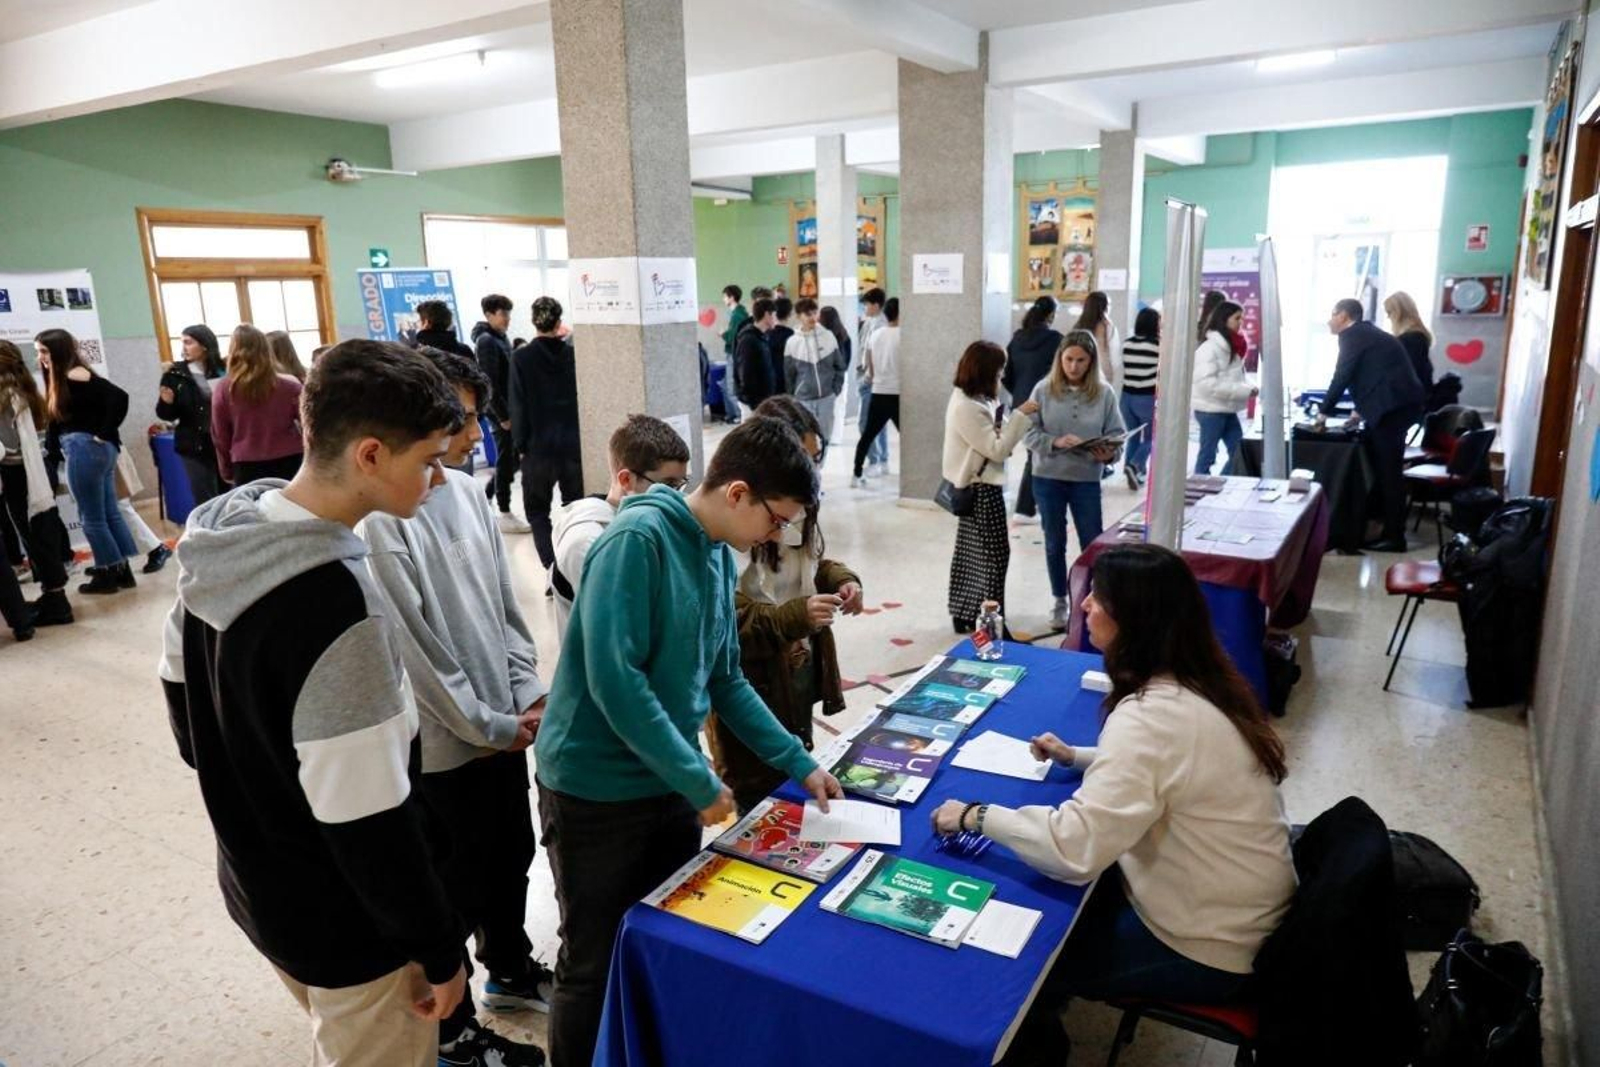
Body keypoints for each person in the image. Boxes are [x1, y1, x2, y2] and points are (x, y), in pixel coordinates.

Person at [159, 340, 471, 1067]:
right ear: (368, 455)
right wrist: (437, 946)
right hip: (352, 930)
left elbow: (187, 720)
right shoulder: (338, 611)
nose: (437, 479)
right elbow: (371, 824)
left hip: (259, 887)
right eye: (427, 460)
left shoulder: (219, 541)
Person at [533, 416, 843, 1067]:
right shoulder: (635, 542)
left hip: (669, 781)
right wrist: (699, 781)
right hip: (596, 791)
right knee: (593, 961)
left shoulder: (712, 552)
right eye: (777, 518)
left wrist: (799, 763)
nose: (778, 535)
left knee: (662, 941)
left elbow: (725, 679)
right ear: (737, 493)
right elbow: (616, 683)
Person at [933, 543, 1294, 1066]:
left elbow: (1069, 849)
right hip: (1238, 911)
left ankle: (1032, 1045)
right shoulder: (1198, 682)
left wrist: (975, 816)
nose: (1084, 607)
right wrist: (1080, 756)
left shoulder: (1149, 716)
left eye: (1098, 598)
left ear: (1134, 620)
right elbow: (1169, 765)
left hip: (1207, 945)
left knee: (1020, 963)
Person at [358, 350, 550, 1067]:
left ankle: (510, 968)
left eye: (472, 417)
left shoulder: (469, 492)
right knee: (451, 890)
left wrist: (525, 691)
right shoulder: (385, 521)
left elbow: (506, 608)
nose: (471, 434)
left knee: (512, 857)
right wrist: (493, 726)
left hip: (501, 730)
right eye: (459, 421)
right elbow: (420, 655)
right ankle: (454, 1031)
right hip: (445, 748)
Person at [712, 395, 863, 813]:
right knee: (758, 789)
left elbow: (811, 560)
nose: (811, 470)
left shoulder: (794, 504)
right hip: (754, 678)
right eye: (804, 457)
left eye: (816, 457)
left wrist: (842, 579)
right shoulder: (724, 536)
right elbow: (725, 642)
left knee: (790, 759)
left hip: (790, 671)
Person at [551, 414, 691, 634]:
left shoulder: (651, 520)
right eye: (668, 486)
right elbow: (625, 628)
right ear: (626, 480)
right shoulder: (587, 543)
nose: (677, 498)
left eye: (681, 485)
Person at [1025, 330, 1123, 630]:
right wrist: (1054, 442)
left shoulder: (1104, 393)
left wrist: (1109, 454)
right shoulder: (1042, 390)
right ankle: (1059, 600)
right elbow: (1027, 433)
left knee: (1092, 542)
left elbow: (1118, 435)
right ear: (1060, 359)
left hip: (1086, 479)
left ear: (1091, 362)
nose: (1074, 366)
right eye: (1068, 359)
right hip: (1048, 477)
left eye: (1081, 360)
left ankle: (1095, 600)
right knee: (1054, 542)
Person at [943, 340, 1040, 633]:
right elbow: (997, 449)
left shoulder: (975, 399)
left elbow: (996, 438)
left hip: (978, 486)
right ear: (985, 372)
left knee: (973, 553)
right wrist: (1021, 416)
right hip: (981, 489)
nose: (1002, 377)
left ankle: (966, 613)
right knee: (996, 557)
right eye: (999, 372)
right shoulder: (966, 407)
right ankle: (992, 624)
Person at [36, 328, 139, 595]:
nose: (41, 357)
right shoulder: (63, 376)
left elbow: (120, 397)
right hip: (94, 450)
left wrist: (103, 432)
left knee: (91, 518)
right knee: (107, 513)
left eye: (44, 351)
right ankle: (120, 569)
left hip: (85, 449)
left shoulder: (73, 374)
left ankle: (107, 574)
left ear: (58, 350)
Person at [1318, 298, 1425, 552]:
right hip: (1398, 406)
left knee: (1389, 473)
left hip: (1393, 410)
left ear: (1343, 315)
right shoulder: (1367, 333)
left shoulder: (1353, 335)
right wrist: (1359, 410)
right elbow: (1373, 374)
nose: (1329, 321)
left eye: (1332, 314)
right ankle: (1377, 527)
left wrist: (1323, 413)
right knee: (1383, 469)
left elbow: (1343, 375)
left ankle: (1394, 537)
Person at [509, 296, 584, 577]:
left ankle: (553, 569)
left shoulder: (521, 357)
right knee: (575, 508)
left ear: (533, 321)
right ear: (558, 321)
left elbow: (518, 403)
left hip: (538, 446)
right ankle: (574, 567)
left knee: (538, 511)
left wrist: (520, 444)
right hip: (573, 444)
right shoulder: (573, 354)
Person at [0, 339, 73, 626]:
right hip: (34, 471)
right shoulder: (23, 388)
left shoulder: (6, 395)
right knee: (43, 533)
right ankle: (54, 595)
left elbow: (7, 444)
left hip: (20, 474)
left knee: (35, 536)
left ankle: (57, 603)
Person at [212, 324, 304, 485]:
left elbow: (220, 435)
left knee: (253, 510)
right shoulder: (290, 387)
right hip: (290, 458)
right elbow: (310, 424)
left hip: (246, 463)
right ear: (267, 350)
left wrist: (225, 468)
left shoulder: (224, 389)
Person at [1004, 296, 1064, 520]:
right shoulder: (1056, 340)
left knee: (1035, 452)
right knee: (1036, 454)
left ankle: (1033, 504)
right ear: (1051, 315)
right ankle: (1025, 508)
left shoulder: (1017, 339)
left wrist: (1020, 393)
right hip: (1044, 402)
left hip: (1021, 403)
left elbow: (1006, 375)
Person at [472, 294, 527, 532]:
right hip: (501, 413)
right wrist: (503, 416)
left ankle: (486, 497)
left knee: (512, 460)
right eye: (503, 314)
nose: (507, 319)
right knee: (506, 460)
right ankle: (503, 510)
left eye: (508, 313)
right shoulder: (486, 341)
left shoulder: (501, 338)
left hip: (511, 409)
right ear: (489, 314)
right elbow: (489, 381)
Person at [156, 324, 226, 506]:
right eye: (182, 343)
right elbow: (166, 415)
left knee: (229, 496)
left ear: (204, 345)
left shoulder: (223, 369)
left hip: (224, 442)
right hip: (194, 444)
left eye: (188, 342)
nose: (183, 348)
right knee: (205, 498)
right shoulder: (175, 373)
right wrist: (166, 402)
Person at [1192, 300, 1256, 476]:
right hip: (1210, 410)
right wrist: (1244, 391)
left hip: (1227, 409)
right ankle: (1198, 492)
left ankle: (1219, 486)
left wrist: (1250, 387)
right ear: (1224, 319)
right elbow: (1206, 385)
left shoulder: (1231, 346)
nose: (1240, 323)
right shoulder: (1209, 348)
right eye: (1237, 318)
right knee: (1207, 456)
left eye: (1241, 318)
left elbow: (1236, 376)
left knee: (1239, 453)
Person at [784, 297, 848, 454]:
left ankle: (818, 470)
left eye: (814, 313)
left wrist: (835, 390)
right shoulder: (792, 342)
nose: (813, 317)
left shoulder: (828, 336)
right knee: (806, 440)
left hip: (827, 397)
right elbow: (789, 374)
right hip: (803, 399)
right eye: (808, 314)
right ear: (799, 316)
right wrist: (794, 396)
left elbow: (839, 367)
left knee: (824, 438)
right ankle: (811, 472)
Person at [851, 297, 902, 485]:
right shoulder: (906, 335)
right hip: (898, 394)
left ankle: (856, 474)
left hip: (878, 392)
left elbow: (869, 369)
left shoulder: (876, 334)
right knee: (909, 438)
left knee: (867, 435)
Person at [1118, 307, 1161, 488]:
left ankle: (1132, 470)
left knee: (1133, 436)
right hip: (1146, 397)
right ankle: (1136, 466)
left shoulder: (1127, 344)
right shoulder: (1158, 346)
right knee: (1153, 437)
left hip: (1126, 397)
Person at [855, 288, 889, 470]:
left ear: (876, 305)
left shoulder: (882, 326)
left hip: (873, 379)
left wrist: (869, 377)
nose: (864, 308)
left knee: (865, 422)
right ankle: (881, 456)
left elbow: (876, 354)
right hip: (865, 374)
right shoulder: (869, 322)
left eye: (867, 304)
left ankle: (874, 457)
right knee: (878, 421)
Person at [1384, 291, 1435, 396]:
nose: (1388, 317)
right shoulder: (1418, 336)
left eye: (1389, 312)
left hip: (1409, 399)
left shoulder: (1411, 339)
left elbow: (1408, 373)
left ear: (1399, 312)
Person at [1072, 290, 1122, 396]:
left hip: (1079, 372)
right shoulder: (1107, 326)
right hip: (1101, 374)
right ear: (1104, 307)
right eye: (1109, 305)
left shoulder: (1078, 325)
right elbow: (1114, 355)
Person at [733, 296, 778, 413]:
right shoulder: (748, 340)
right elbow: (745, 374)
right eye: (774, 315)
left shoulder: (762, 337)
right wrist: (755, 404)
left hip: (762, 402)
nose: (776, 319)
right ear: (767, 315)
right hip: (753, 404)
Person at [767, 297, 795, 397]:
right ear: (790, 314)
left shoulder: (766, 334)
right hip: (786, 379)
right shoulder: (791, 335)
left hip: (769, 378)